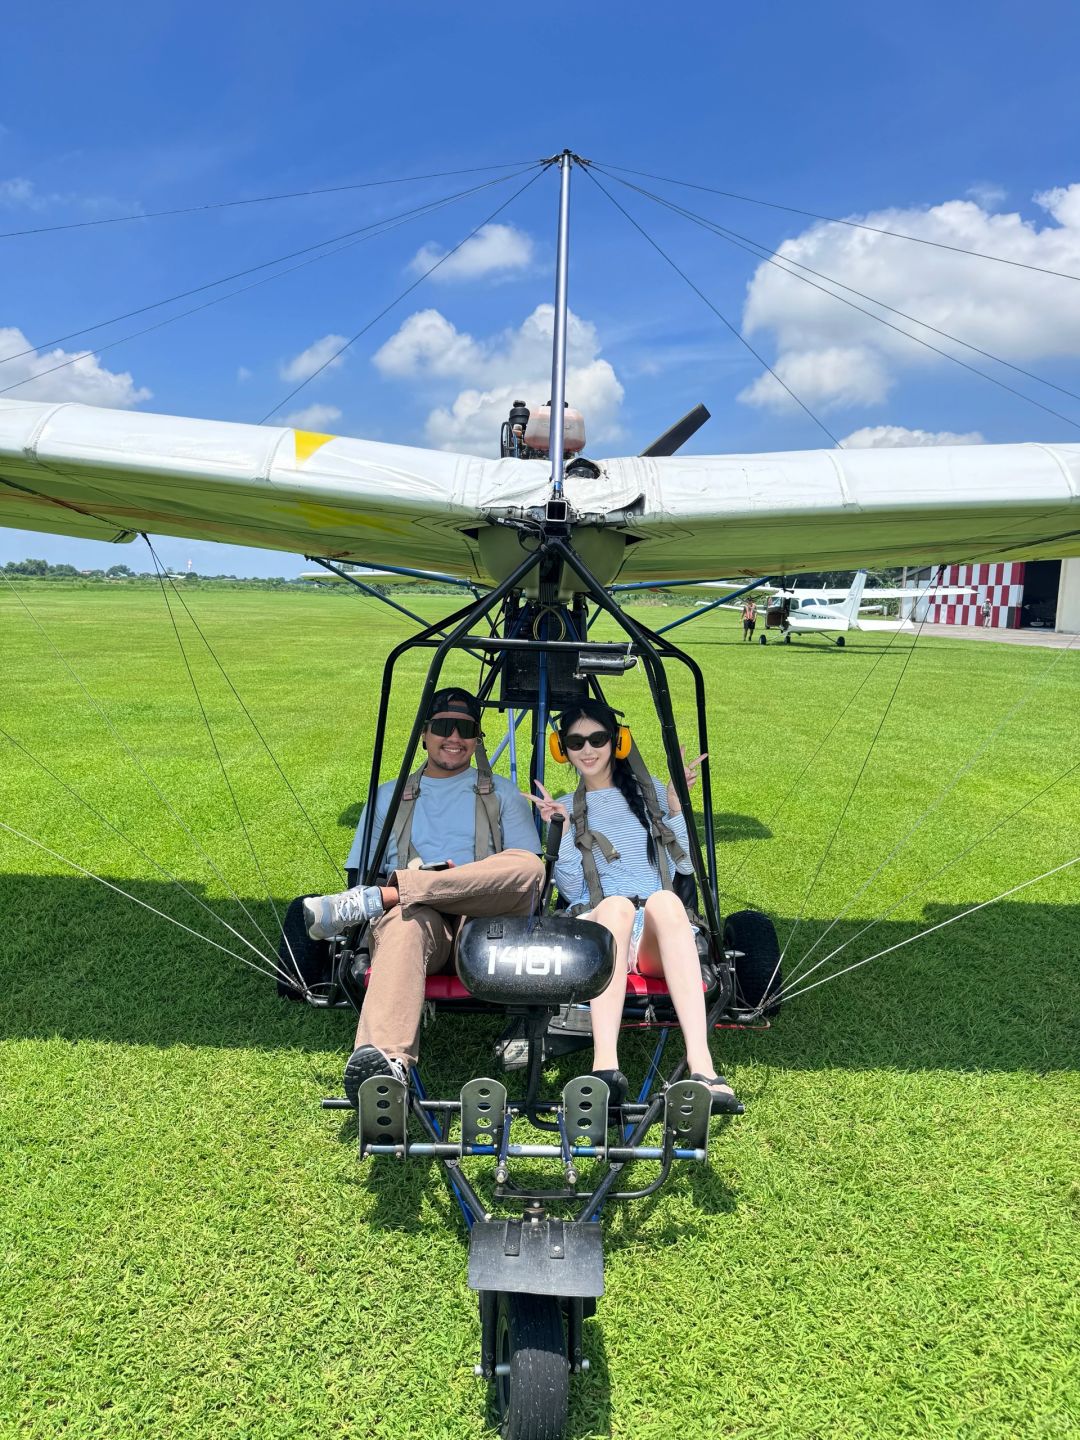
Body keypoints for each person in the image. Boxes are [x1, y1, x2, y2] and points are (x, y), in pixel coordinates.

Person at [304, 688, 543, 1104]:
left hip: (485, 923)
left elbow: (526, 879)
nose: (453, 738)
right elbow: (359, 872)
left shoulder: (503, 793)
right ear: (424, 735)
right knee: (402, 924)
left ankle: (393, 894)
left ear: (477, 737)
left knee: (529, 866)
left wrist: (419, 886)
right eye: (442, 727)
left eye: (465, 729)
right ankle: (384, 1064)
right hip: (423, 921)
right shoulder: (389, 795)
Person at [531, 699, 740, 1113]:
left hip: (652, 935)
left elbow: (683, 864)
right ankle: (604, 1067)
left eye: (597, 738)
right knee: (616, 908)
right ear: (562, 749)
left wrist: (676, 806)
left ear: (617, 742)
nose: (587, 749)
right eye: (576, 742)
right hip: (601, 927)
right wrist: (565, 833)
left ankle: (702, 1065)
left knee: (665, 898)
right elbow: (573, 892)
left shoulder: (650, 798)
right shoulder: (565, 806)